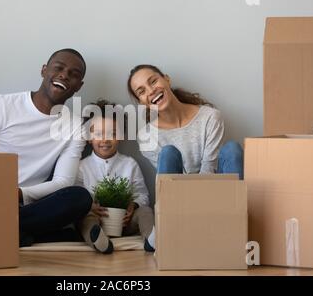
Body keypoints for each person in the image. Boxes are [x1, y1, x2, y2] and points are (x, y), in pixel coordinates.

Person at [0, 48, 92, 246]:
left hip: (30, 204)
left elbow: (63, 182)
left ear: (79, 86)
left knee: (80, 198)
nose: (64, 75)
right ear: (44, 70)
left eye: (73, 75)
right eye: (58, 68)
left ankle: (7, 230)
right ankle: (24, 233)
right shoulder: (0, 105)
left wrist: (18, 194)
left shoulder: (76, 125)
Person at [127, 64, 244, 250]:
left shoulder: (210, 117)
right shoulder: (146, 137)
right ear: (141, 102)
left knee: (232, 149)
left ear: (166, 79)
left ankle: (233, 227)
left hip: (216, 196)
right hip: (180, 202)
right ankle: (165, 230)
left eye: (153, 81)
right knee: (168, 152)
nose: (151, 91)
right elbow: (172, 182)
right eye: (142, 91)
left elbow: (209, 167)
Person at [76, 99, 155, 254]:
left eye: (112, 134)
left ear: (121, 136)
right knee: (86, 218)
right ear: (89, 138)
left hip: (125, 223)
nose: (105, 140)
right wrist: (91, 207)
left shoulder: (129, 164)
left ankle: (152, 240)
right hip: (97, 219)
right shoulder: (81, 166)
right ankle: (98, 241)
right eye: (98, 134)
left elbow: (142, 194)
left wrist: (133, 206)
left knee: (145, 211)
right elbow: (76, 197)